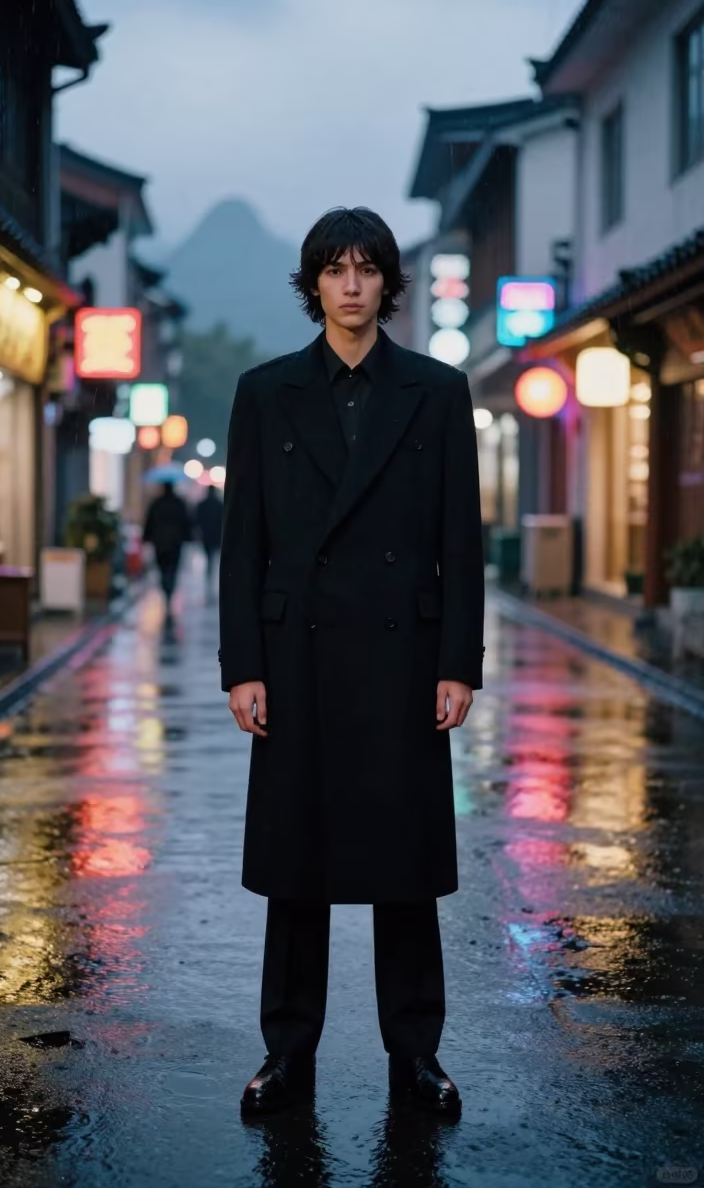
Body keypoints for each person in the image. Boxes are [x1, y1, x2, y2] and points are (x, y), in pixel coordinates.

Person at [219, 207, 484, 1119]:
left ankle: (418, 1054)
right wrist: (242, 665)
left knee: (404, 867)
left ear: (388, 283)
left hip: (404, 660)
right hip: (295, 657)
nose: (352, 284)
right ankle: (285, 1052)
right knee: (297, 866)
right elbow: (242, 543)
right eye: (335, 269)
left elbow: (461, 540)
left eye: (367, 268)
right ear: (313, 284)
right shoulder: (266, 392)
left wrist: (459, 663)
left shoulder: (438, 391)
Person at [143, 481, 191, 616]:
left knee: (162, 568)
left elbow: (149, 522)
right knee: (173, 569)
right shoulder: (179, 503)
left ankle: (166, 591)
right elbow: (186, 522)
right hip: (175, 543)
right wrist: (187, 537)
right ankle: (169, 591)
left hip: (160, 542)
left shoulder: (156, 503)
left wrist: (147, 538)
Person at [195, 485, 224, 600]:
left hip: (206, 537)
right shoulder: (219, 504)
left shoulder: (202, 505)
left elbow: (197, 521)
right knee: (213, 559)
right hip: (216, 537)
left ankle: (209, 580)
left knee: (209, 559)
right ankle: (211, 581)